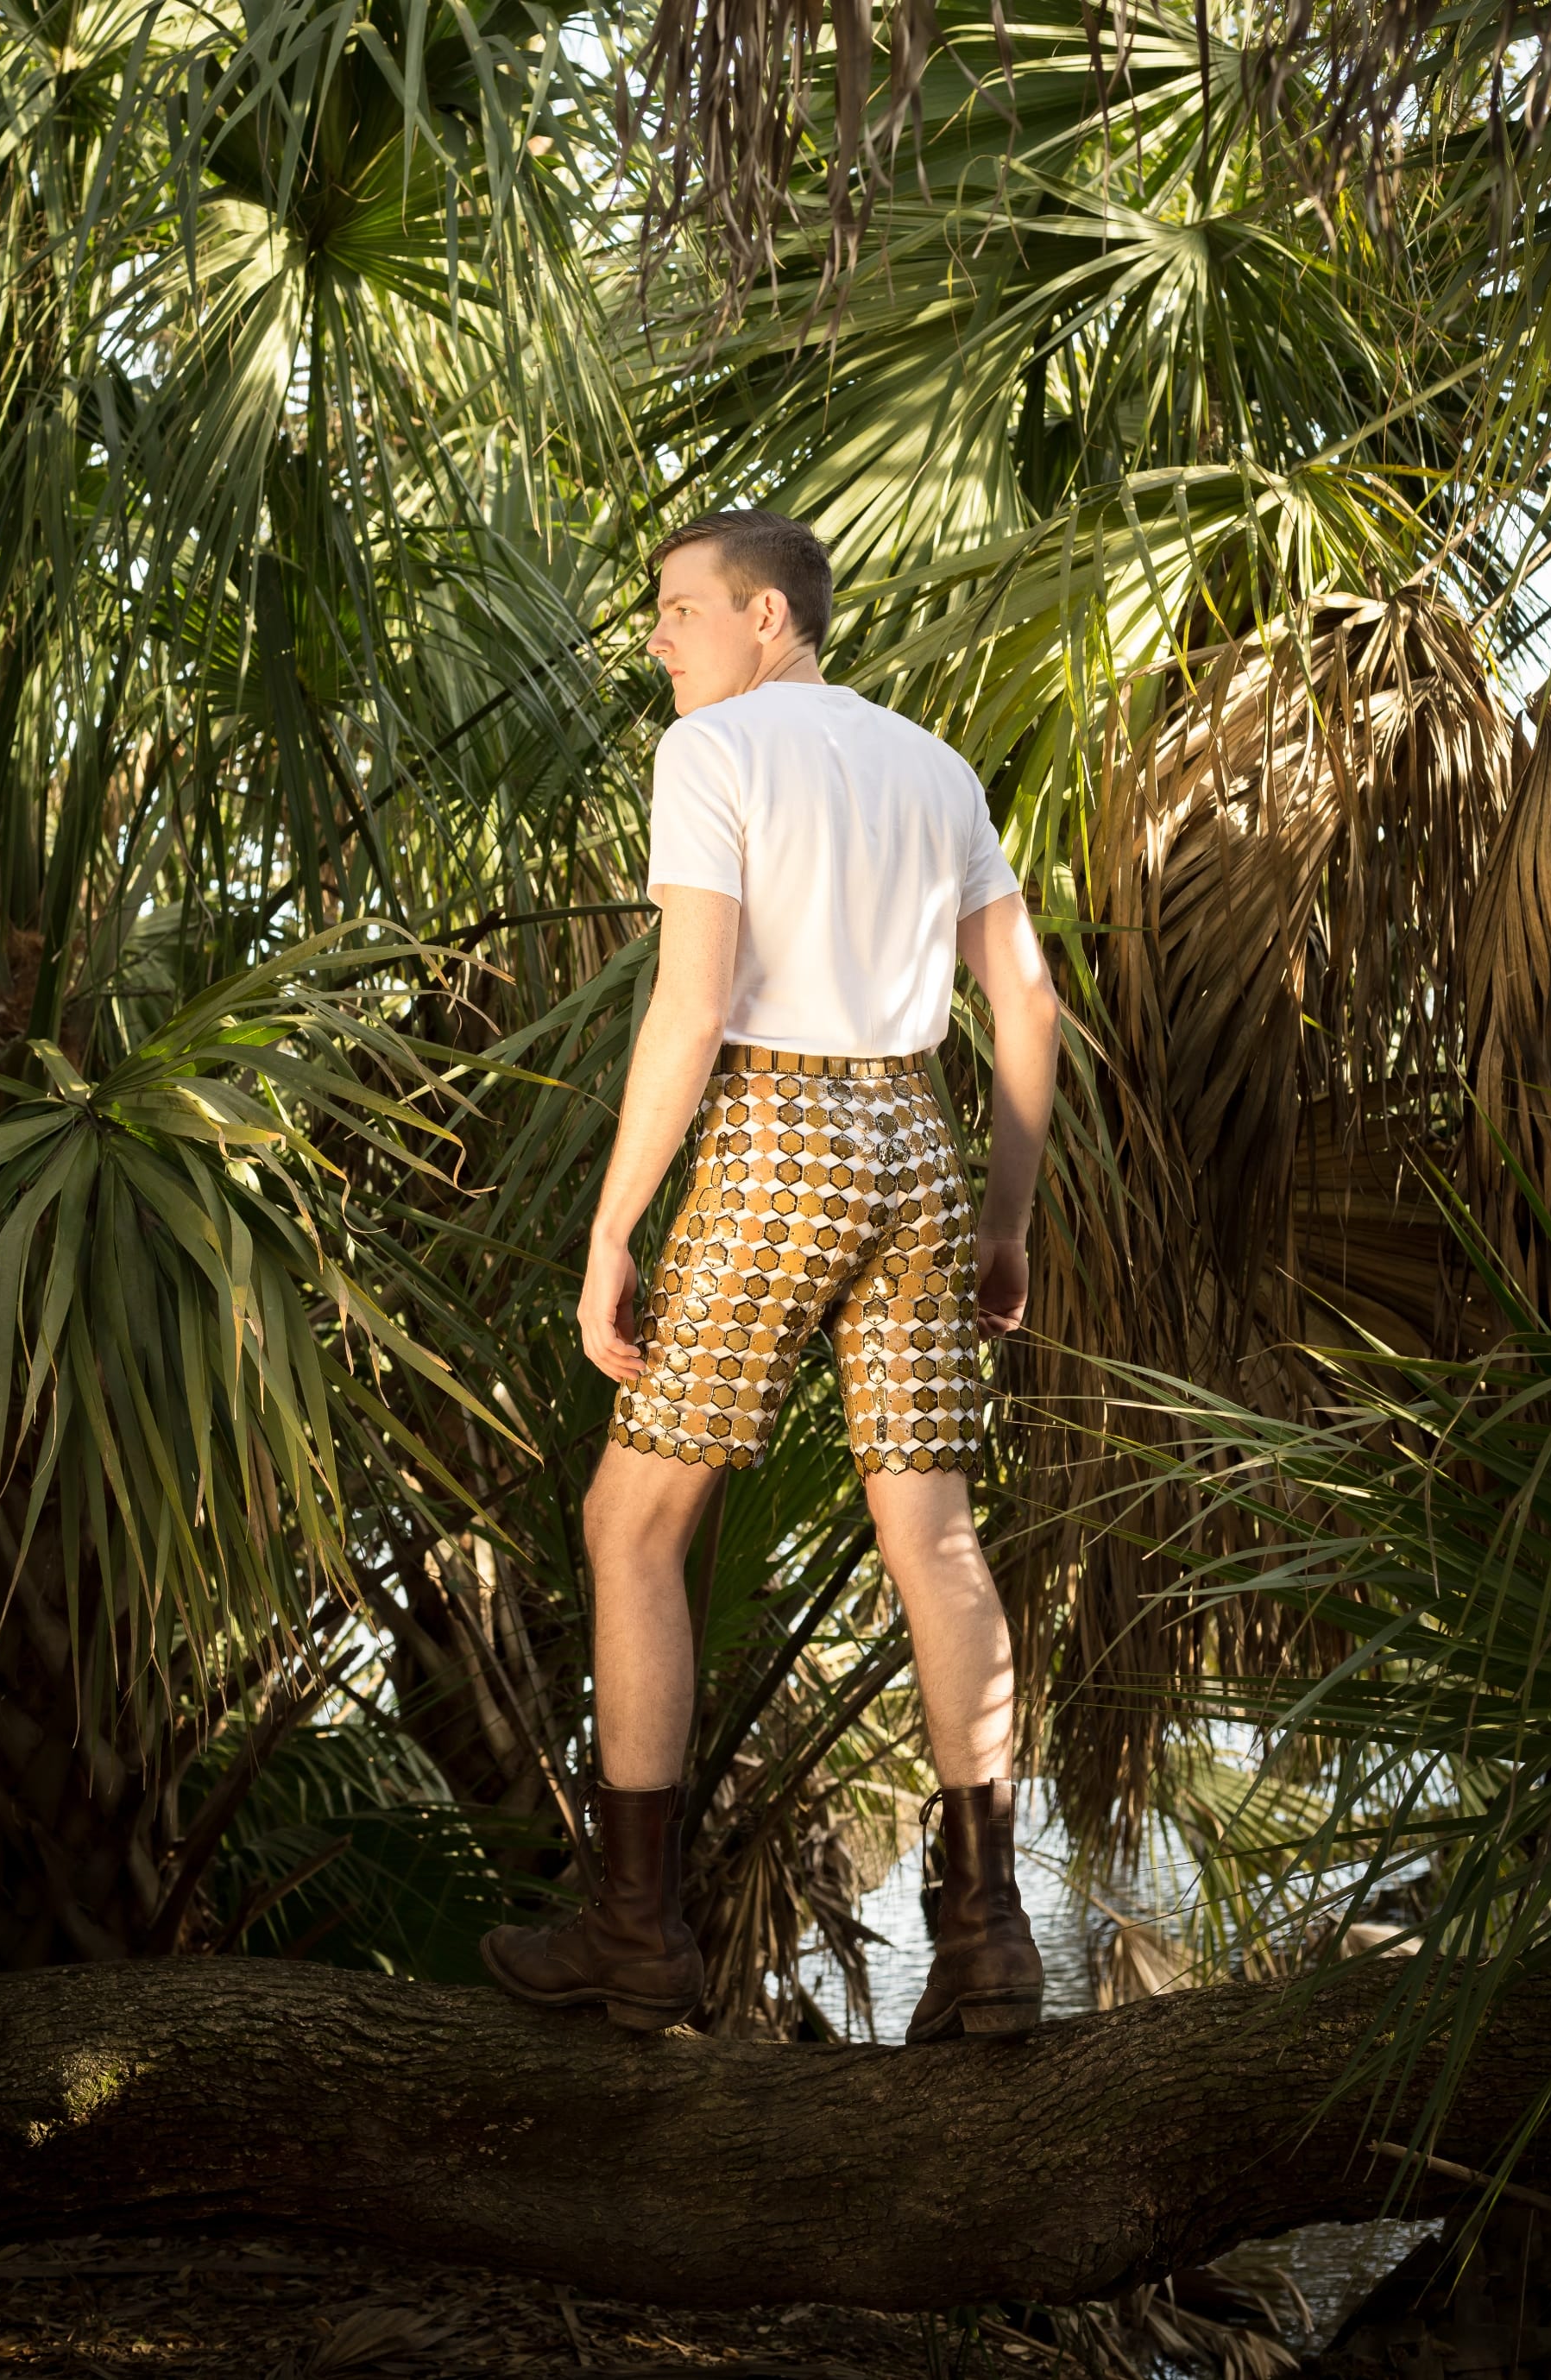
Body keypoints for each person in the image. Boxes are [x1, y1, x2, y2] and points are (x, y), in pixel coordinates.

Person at [481, 509, 1062, 2042]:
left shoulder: (714, 756)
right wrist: (1004, 1217)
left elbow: (690, 1003)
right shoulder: (934, 767)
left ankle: (637, 1932)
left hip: (781, 1135)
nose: (658, 641)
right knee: (932, 1536)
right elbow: (1028, 1004)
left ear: (766, 617)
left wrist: (615, 1227)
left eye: (678, 610)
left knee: (631, 1518)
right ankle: (992, 1938)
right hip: (923, 1149)